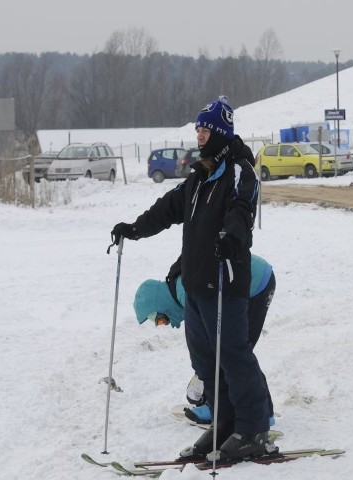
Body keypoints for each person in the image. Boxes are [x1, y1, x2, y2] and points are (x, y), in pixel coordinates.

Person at [111, 96, 271, 461]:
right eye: (197, 129)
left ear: (219, 132)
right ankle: (223, 424)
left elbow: (241, 211)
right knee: (207, 362)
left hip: (225, 283)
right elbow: (167, 209)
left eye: (203, 130)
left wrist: (232, 239)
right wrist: (134, 229)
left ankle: (252, 429)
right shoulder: (199, 178)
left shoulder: (239, 171)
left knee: (233, 356)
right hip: (197, 287)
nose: (198, 136)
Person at [133, 254, 276, 425]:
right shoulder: (181, 286)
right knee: (234, 353)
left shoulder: (185, 291)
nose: (166, 324)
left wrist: (204, 381)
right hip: (253, 278)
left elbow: (208, 347)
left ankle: (250, 413)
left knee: (234, 354)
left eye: (161, 319)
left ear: (160, 303)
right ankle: (258, 411)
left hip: (255, 283)